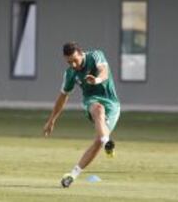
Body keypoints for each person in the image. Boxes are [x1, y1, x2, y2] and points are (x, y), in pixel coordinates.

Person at [43, 42, 120, 187]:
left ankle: (72, 175)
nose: (72, 64)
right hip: (91, 101)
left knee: (97, 142)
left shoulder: (95, 55)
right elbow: (63, 96)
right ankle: (107, 143)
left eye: (74, 60)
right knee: (98, 109)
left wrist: (96, 79)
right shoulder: (70, 73)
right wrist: (52, 119)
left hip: (112, 104)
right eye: (68, 62)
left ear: (80, 53)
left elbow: (104, 71)